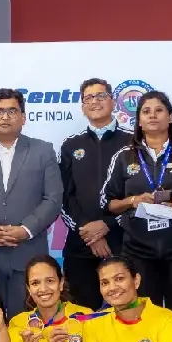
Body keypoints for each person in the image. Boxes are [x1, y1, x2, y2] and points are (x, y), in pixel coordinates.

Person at [104, 91, 172, 314]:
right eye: (146, 111)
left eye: (159, 110)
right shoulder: (123, 156)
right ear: (139, 121)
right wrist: (133, 201)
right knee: (143, 317)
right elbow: (107, 203)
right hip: (138, 252)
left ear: (170, 117)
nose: (152, 115)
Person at [0, 88, 63, 316]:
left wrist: (25, 229)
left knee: (27, 325)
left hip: (28, 255)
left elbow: (53, 199)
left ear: (23, 117)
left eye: (12, 111)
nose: (5, 117)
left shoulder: (43, 150)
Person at [60, 78, 131, 308]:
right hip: (80, 247)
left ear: (113, 102)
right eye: (88, 98)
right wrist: (90, 233)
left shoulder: (133, 141)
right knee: (81, 316)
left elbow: (140, 195)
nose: (95, 101)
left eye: (101, 96)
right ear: (82, 107)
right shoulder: (71, 145)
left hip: (123, 243)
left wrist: (108, 225)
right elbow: (64, 196)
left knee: (125, 314)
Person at [7, 255, 100, 342]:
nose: (43, 289)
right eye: (35, 283)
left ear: (61, 283)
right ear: (28, 289)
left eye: (50, 281)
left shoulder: (86, 316)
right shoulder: (18, 323)